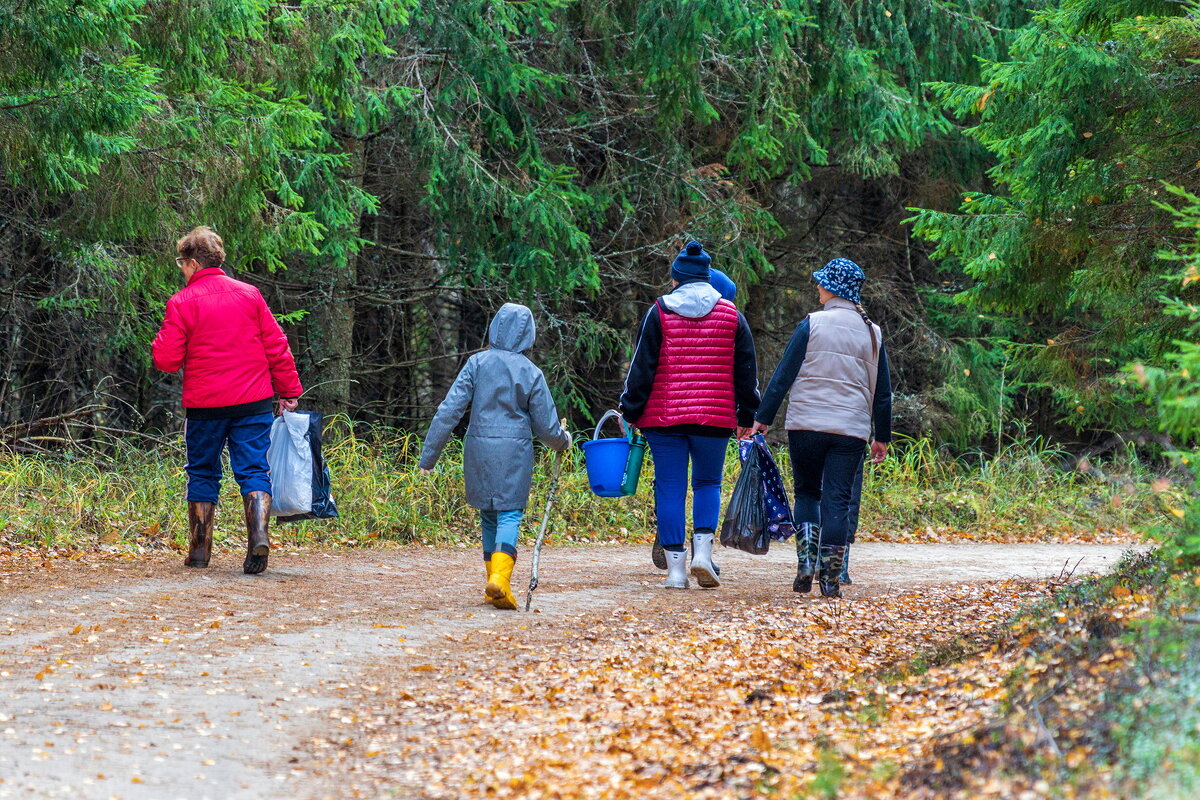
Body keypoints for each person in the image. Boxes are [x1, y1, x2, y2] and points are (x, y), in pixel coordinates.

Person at [152, 227, 303, 575]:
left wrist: (163, 337)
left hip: (205, 407)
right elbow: (276, 345)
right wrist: (289, 390)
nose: (181, 269)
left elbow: (166, 360)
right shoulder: (250, 294)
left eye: (181, 263)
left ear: (192, 262)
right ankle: (259, 536)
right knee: (253, 469)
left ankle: (200, 551)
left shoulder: (182, 302)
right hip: (253, 402)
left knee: (202, 471)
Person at [620, 241, 759, 590]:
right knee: (708, 483)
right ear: (707, 277)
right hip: (714, 417)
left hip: (663, 418)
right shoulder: (732, 315)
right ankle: (702, 553)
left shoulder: (659, 311)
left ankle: (675, 573)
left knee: (670, 486)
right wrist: (747, 414)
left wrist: (630, 410)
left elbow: (642, 368)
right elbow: (746, 371)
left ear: (677, 278)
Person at [751, 258, 892, 598]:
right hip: (851, 431)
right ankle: (830, 580)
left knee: (808, 493)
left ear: (832, 288)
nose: (817, 286)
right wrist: (882, 436)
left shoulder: (812, 324)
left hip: (807, 425)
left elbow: (783, 375)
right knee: (838, 502)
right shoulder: (872, 333)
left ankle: (805, 565)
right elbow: (883, 392)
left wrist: (763, 417)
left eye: (821, 282)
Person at [418, 303, 572, 610]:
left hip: (478, 448)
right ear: (528, 334)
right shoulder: (531, 372)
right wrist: (563, 441)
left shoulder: (477, 363)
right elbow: (546, 427)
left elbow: (449, 411)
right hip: (514, 450)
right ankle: (500, 580)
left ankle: (494, 582)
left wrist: (428, 458)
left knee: (489, 515)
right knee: (510, 514)